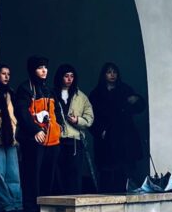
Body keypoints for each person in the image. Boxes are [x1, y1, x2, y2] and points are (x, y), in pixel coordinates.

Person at [14, 55, 61, 212]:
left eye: (45, 68)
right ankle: (32, 209)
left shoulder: (48, 90)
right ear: (32, 70)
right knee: (32, 174)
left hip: (52, 140)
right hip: (34, 140)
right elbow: (22, 113)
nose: (44, 71)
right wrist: (35, 130)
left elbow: (56, 113)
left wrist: (59, 129)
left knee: (48, 175)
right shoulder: (25, 89)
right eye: (40, 68)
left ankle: (45, 207)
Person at [89, 61, 145, 193]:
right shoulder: (96, 93)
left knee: (124, 170)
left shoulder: (125, 90)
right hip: (105, 138)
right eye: (109, 72)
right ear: (104, 75)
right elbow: (90, 116)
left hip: (124, 137)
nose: (112, 75)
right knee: (106, 172)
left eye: (114, 72)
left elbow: (139, 107)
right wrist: (100, 131)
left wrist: (136, 99)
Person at [52, 64, 94, 195]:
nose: (69, 79)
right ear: (60, 77)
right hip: (56, 139)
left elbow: (89, 118)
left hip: (74, 141)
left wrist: (77, 121)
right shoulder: (51, 93)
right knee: (57, 174)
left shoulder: (81, 97)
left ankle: (73, 205)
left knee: (74, 175)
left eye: (72, 76)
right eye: (66, 76)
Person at [0, 64, 23, 212]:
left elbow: (15, 116)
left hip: (11, 139)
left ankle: (17, 203)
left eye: (8, 74)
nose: (7, 76)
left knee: (13, 174)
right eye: (3, 73)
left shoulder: (11, 93)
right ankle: (5, 205)